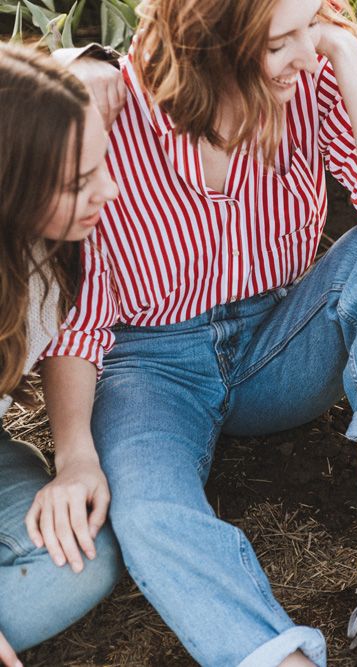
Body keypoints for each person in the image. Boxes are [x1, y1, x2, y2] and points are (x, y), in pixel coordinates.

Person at [46, 0, 357, 664]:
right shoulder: (113, 106)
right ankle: (274, 653)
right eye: (282, 40)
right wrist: (75, 453)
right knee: (146, 513)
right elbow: (78, 311)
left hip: (278, 340)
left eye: (311, 28)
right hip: (152, 366)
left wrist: (345, 52)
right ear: (211, 42)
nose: (306, 54)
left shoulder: (310, 79)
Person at [0, 43, 121, 666]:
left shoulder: (52, 249)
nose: (109, 190)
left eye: (102, 164)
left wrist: (76, 457)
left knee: (81, 558)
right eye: (78, 183)